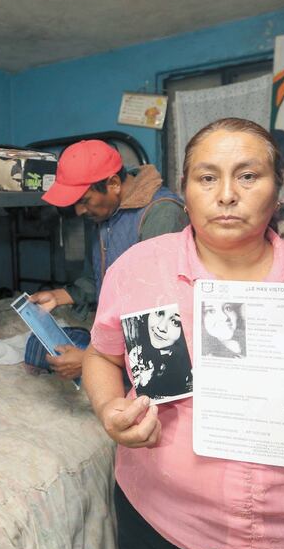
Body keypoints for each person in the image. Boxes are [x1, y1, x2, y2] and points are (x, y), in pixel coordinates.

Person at [82, 118, 284, 549]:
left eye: (247, 176)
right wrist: (110, 408)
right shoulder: (138, 269)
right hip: (164, 524)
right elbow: (102, 356)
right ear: (185, 190)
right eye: (207, 178)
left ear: (277, 190)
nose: (226, 194)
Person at [30, 139, 187, 380]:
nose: (79, 211)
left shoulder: (161, 214)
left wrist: (91, 360)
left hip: (156, 346)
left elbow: (160, 313)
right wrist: (60, 296)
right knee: (39, 348)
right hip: (118, 337)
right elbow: (101, 279)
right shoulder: (105, 213)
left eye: (84, 200)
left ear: (113, 183)